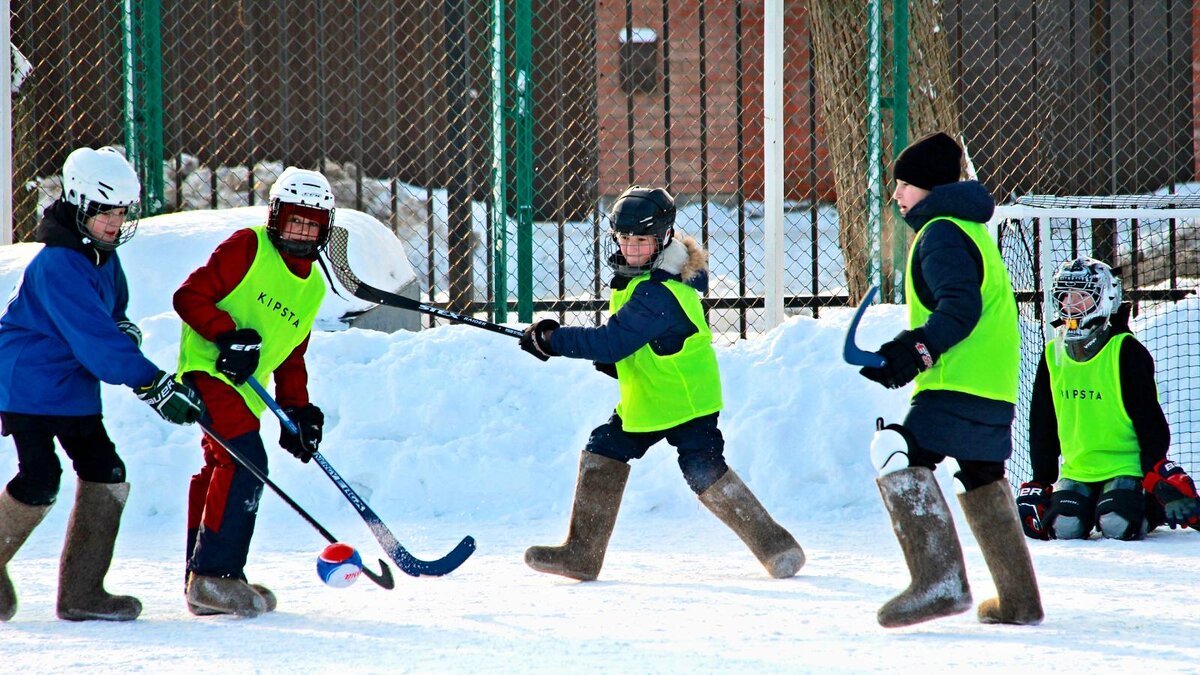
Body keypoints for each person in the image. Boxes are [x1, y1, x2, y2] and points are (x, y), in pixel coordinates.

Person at [518, 185, 804, 581]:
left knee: (702, 468)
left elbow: (613, 339)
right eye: (624, 238)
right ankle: (581, 554)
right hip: (654, 398)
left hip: (687, 401)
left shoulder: (660, 291)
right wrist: (617, 363)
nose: (632, 247)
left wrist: (551, 339)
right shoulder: (644, 277)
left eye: (642, 240)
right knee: (605, 448)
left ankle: (778, 547)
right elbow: (636, 343)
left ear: (664, 237)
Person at [0, 146, 202, 622]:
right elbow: (96, 343)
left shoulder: (102, 257)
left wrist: (125, 330)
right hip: (25, 380)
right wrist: (154, 384)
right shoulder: (58, 265)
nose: (114, 223)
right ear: (77, 204)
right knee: (40, 477)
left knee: (105, 471)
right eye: (103, 212)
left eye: (120, 212)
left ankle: (83, 593)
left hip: (71, 383)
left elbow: (111, 319)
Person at [858, 132, 1042, 628]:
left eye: (904, 185)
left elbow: (960, 307)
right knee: (983, 475)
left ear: (931, 188)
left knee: (896, 452)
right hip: (991, 383)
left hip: (956, 382)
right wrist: (912, 351)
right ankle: (1020, 601)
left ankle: (939, 582)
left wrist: (914, 351)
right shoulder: (970, 227)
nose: (896, 195)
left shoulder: (939, 230)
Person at [175, 167, 332, 617]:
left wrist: (298, 412)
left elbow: (291, 355)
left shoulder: (313, 286)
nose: (301, 231)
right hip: (208, 371)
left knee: (220, 467)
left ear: (324, 228)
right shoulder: (248, 246)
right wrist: (227, 334)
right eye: (293, 220)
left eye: (312, 223)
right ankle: (214, 576)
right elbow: (189, 297)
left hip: (245, 390)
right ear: (276, 217)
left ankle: (205, 581)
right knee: (245, 459)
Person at [1017, 257, 1200, 540]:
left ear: (1104, 299)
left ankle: (1151, 504)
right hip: (1078, 469)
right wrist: (1040, 481)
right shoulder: (1053, 354)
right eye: (1065, 297)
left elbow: (1149, 420)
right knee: (1064, 527)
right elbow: (1043, 424)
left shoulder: (1126, 350)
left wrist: (1156, 472)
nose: (1071, 306)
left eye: (1081, 297)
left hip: (1126, 466)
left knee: (1117, 523)